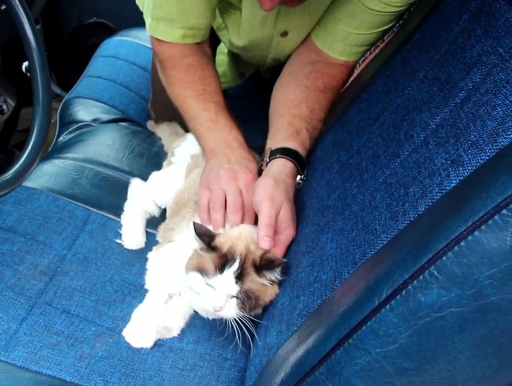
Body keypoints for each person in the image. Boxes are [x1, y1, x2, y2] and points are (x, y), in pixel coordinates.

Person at [136, 0, 414, 258]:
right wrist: (223, 150)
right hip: (199, 44)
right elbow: (180, 43)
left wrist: (282, 167)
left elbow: (322, 60)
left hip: (300, 65)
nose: (266, 5)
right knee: (170, 128)